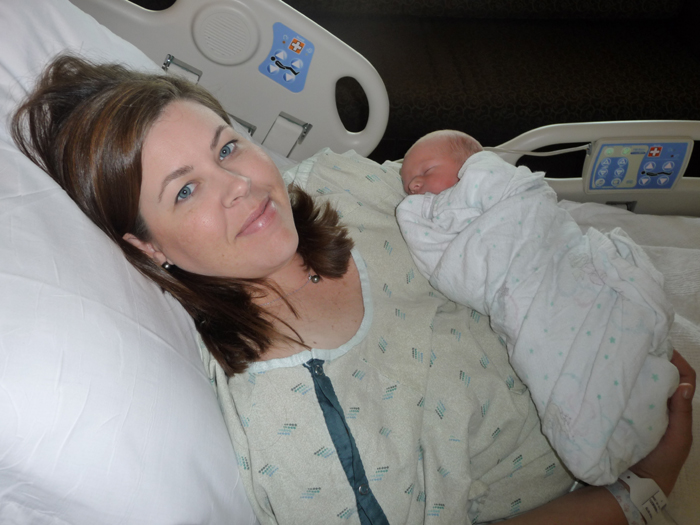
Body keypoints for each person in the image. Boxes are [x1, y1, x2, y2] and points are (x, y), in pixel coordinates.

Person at [12, 55, 694, 525]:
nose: (242, 186)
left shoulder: (332, 183)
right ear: (149, 248)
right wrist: (647, 487)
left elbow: (488, 212)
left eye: (227, 148)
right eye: (185, 190)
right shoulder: (313, 436)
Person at [396, 130, 680, 485]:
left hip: (557, 262)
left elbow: (527, 212)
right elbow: (449, 271)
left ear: (471, 164)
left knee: (584, 323)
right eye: (408, 183)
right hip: (520, 294)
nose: (414, 185)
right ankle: (606, 414)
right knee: (549, 345)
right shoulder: (438, 213)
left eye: (426, 170)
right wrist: (420, 210)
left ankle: (620, 386)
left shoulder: (496, 182)